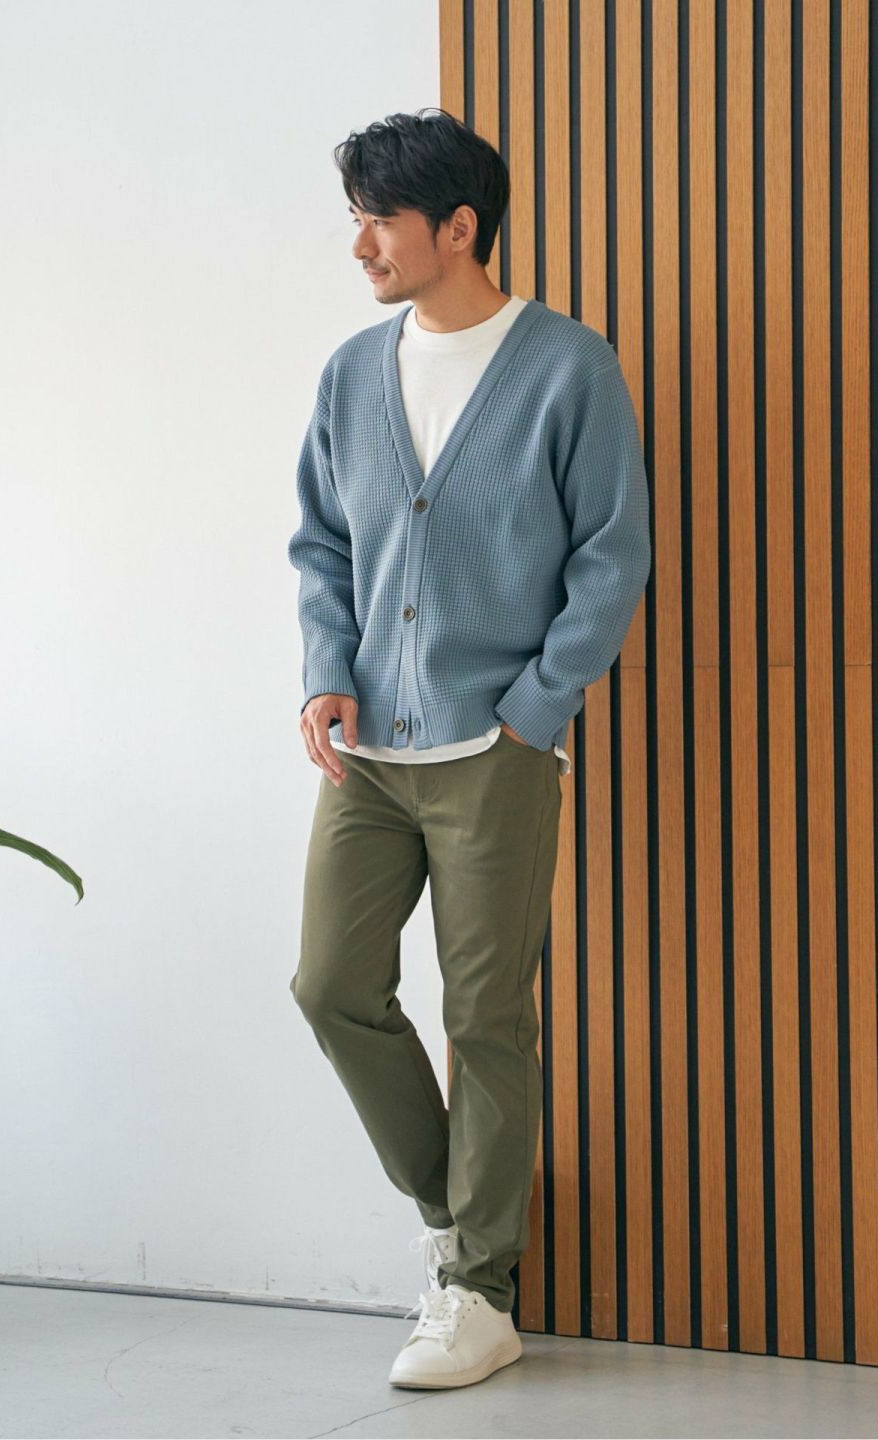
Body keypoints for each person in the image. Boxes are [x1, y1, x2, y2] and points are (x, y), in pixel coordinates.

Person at [285, 107, 651, 1389]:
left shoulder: (567, 368)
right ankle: (457, 1221)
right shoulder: (351, 373)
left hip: (495, 748)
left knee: (486, 1015)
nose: (362, 246)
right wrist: (327, 672)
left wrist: (536, 711)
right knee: (330, 984)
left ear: (457, 227)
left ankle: (481, 1297)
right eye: (355, 221)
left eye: (379, 221)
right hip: (371, 753)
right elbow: (321, 542)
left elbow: (612, 555)